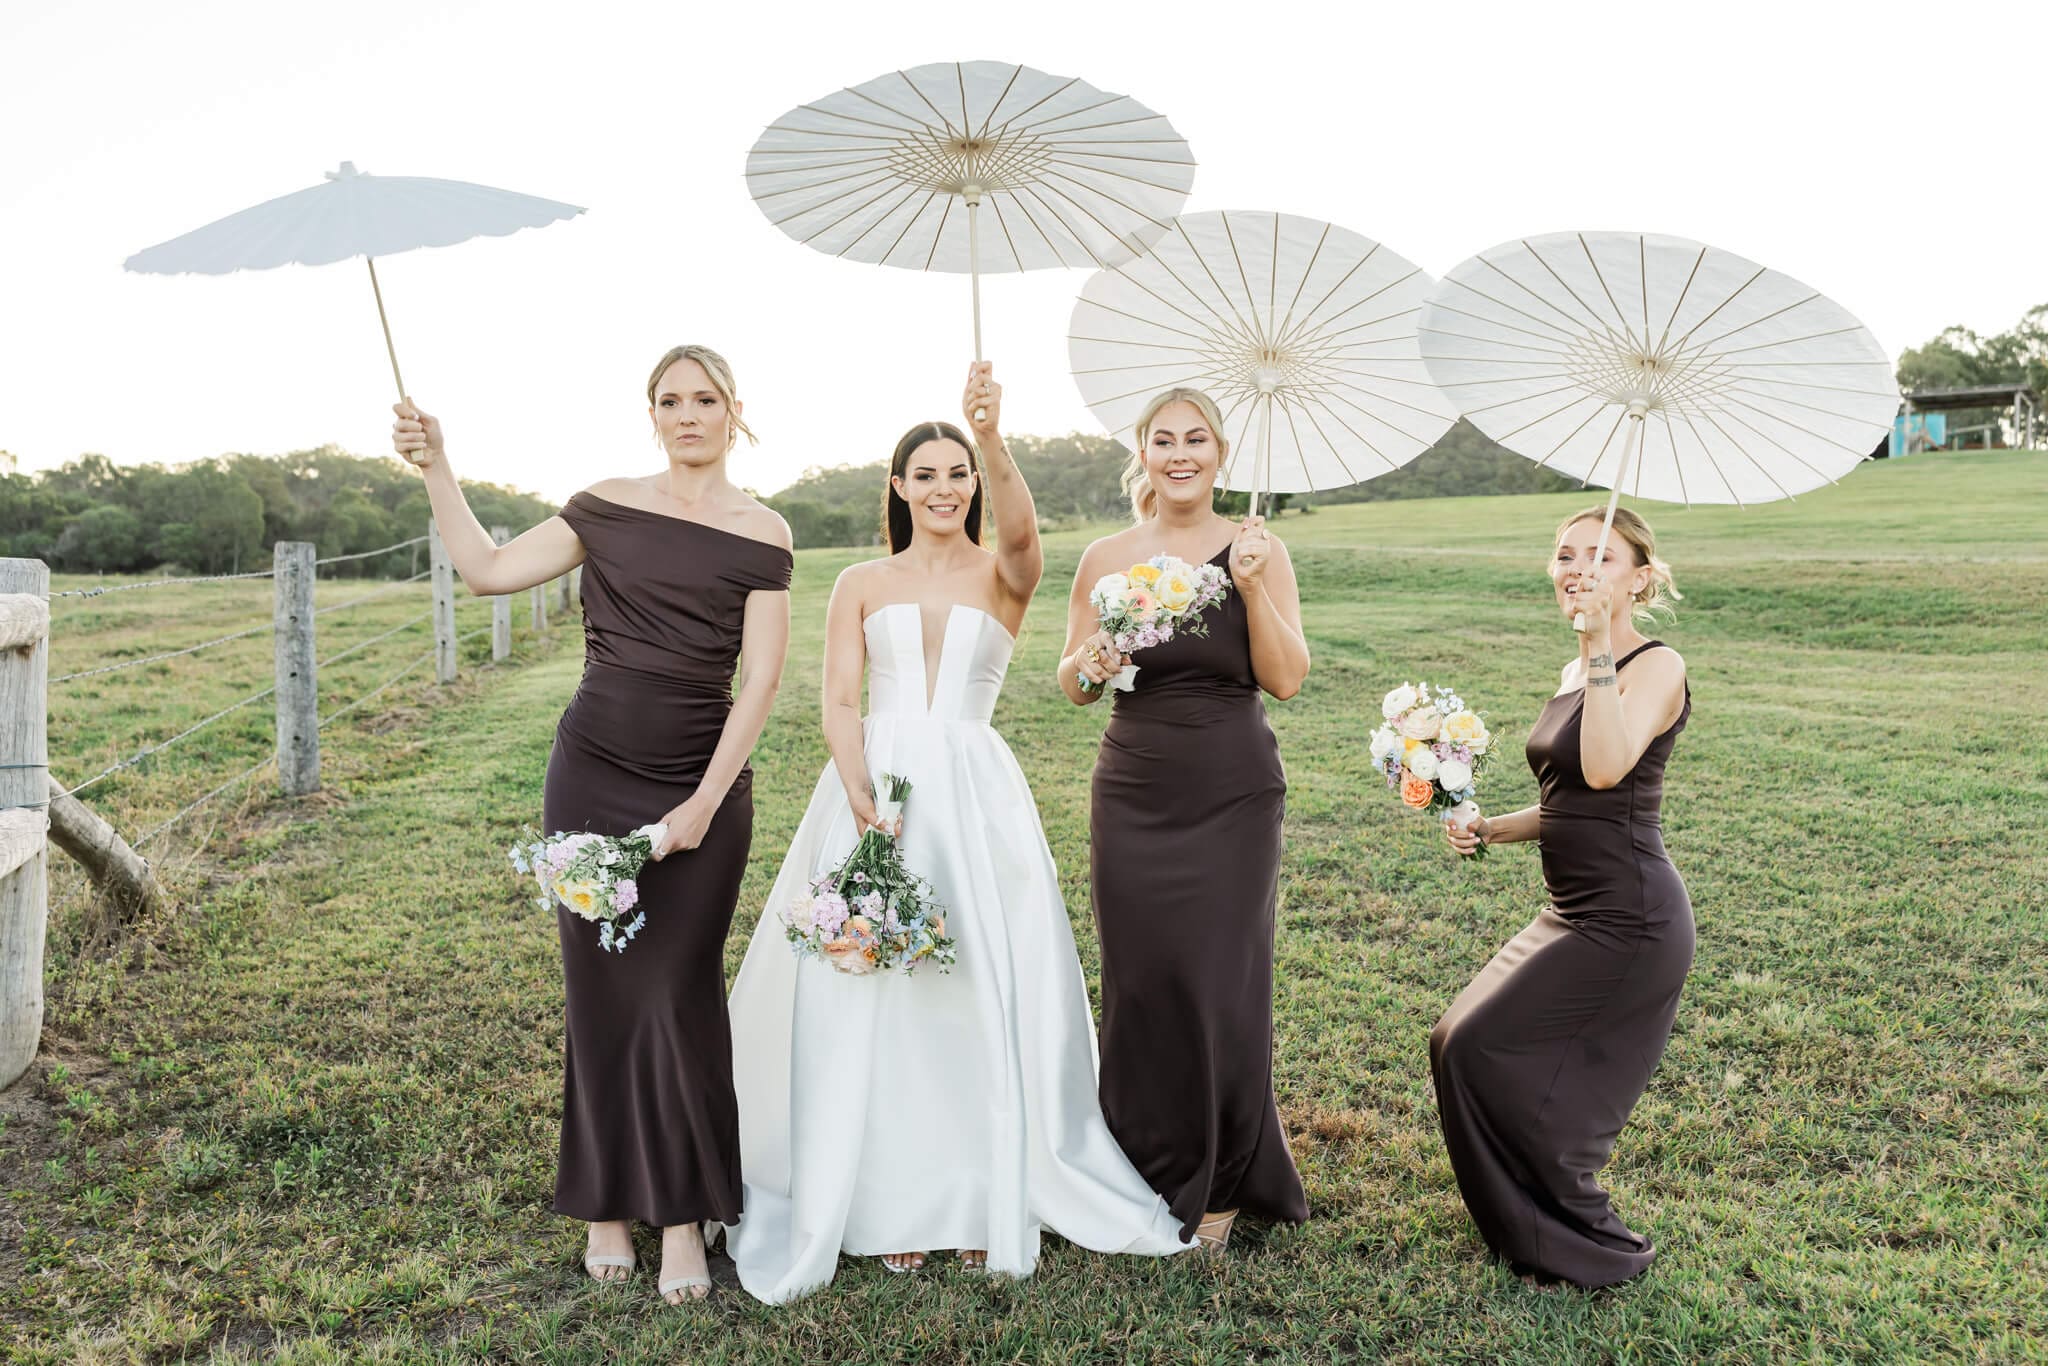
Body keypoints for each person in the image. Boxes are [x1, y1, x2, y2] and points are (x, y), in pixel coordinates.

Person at [722, 363, 1187, 1302]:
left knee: (974, 981)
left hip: (973, 793)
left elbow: (1022, 534)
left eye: (958, 474)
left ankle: (979, 1198)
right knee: (870, 993)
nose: (944, 488)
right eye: (926, 474)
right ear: (897, 487)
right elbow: (841, 698)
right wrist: (860, 797)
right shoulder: (858, 579)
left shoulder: (1005, 575)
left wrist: (994, 435)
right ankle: (884, 1202)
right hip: (872, 790)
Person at [390, 343, 792, 1304]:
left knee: (679, 993)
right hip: (592, 776)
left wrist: (701, 803)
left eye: (704, 399)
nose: (686, 414)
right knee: (603, 994)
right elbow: (486, 570)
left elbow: (762, 678)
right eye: (669, 400)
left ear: (735, 411)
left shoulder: (763, 530)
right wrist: (437, 464)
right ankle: (608, 1206)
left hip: (703, 785)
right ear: (650, 413)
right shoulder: (604, 507)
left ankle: (686, 1217)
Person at [1056, 387, 1312, 1252]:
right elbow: (1074, 683)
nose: (1180, 454)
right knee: (1142, 981)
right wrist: (1093, 658)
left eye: (1195, 439)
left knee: (1221, 982)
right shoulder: (1106, 555)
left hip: (1232, 790)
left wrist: (1251, 588)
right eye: (1163, 440)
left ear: (1220, 452)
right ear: (1143, 452)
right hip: (1133, 789)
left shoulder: (1257, 550)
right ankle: (1137, 1159)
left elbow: (1284, 678)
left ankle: (1222, 1180)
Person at [1432, 505, 1692, 1288]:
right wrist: (1494, 828)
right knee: (1455, 1040)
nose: (1578, 568)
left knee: (1481, 1047)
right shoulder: (1576, 672)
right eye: (1566, 554)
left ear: (1638, 578)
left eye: (1602, 558)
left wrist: (1598, 644)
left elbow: (1609, 770)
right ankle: (1528, 1224)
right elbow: (1574, 800)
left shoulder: (1655, 664)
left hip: (1630, 917)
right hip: (1569, 906)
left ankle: (1580, 1241)